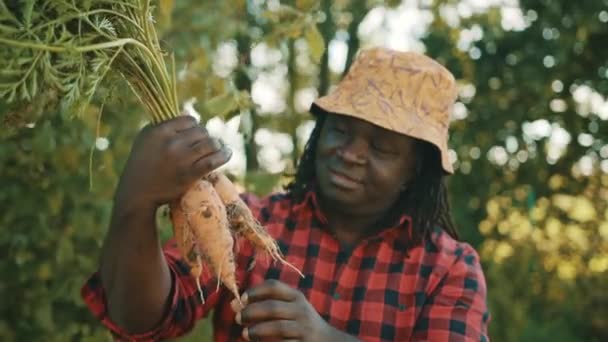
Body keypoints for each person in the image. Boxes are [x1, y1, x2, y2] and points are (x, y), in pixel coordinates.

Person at [82, 47, 490, 341]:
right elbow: (144, 321)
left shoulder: (449, 269)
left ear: (415, 172)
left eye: (381, 148)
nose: (349, 154)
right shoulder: (246, 224)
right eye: (340, 130)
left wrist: (326, 339)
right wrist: (135, 202)